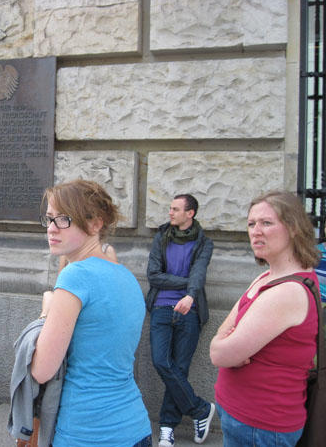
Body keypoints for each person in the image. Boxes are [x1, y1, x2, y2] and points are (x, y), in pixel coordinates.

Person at [30, 179, 151, 446]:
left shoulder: (75, 275)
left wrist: (46, 312)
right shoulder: (127, 277)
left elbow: (41, 370)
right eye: (49, 219)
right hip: (136, 427)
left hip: (87, 432)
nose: (52, 228)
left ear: (96, 224)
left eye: (64, 219)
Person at [210, 190, 320, 446]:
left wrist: (223, 343)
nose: (256, 231)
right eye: (251, 224)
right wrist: (223, 342)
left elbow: (219, 355)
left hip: (260, 426)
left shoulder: (287, 291)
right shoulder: (267, 277)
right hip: (243, 418)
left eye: (266, 223)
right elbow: (222, 335)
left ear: (293, 227)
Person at [146, 194, 215, 446]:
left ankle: (167, 427)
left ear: (190, 213)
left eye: (175, 209)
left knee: (180, 369)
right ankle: (200, 409)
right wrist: (188, 284)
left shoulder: (204, 243)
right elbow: (154, 275)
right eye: (170, 208)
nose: (170, 212)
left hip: (189, 311)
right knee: (161, 362)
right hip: (162, 307)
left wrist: (190, 295)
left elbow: (199, 272)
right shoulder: (161, 237)